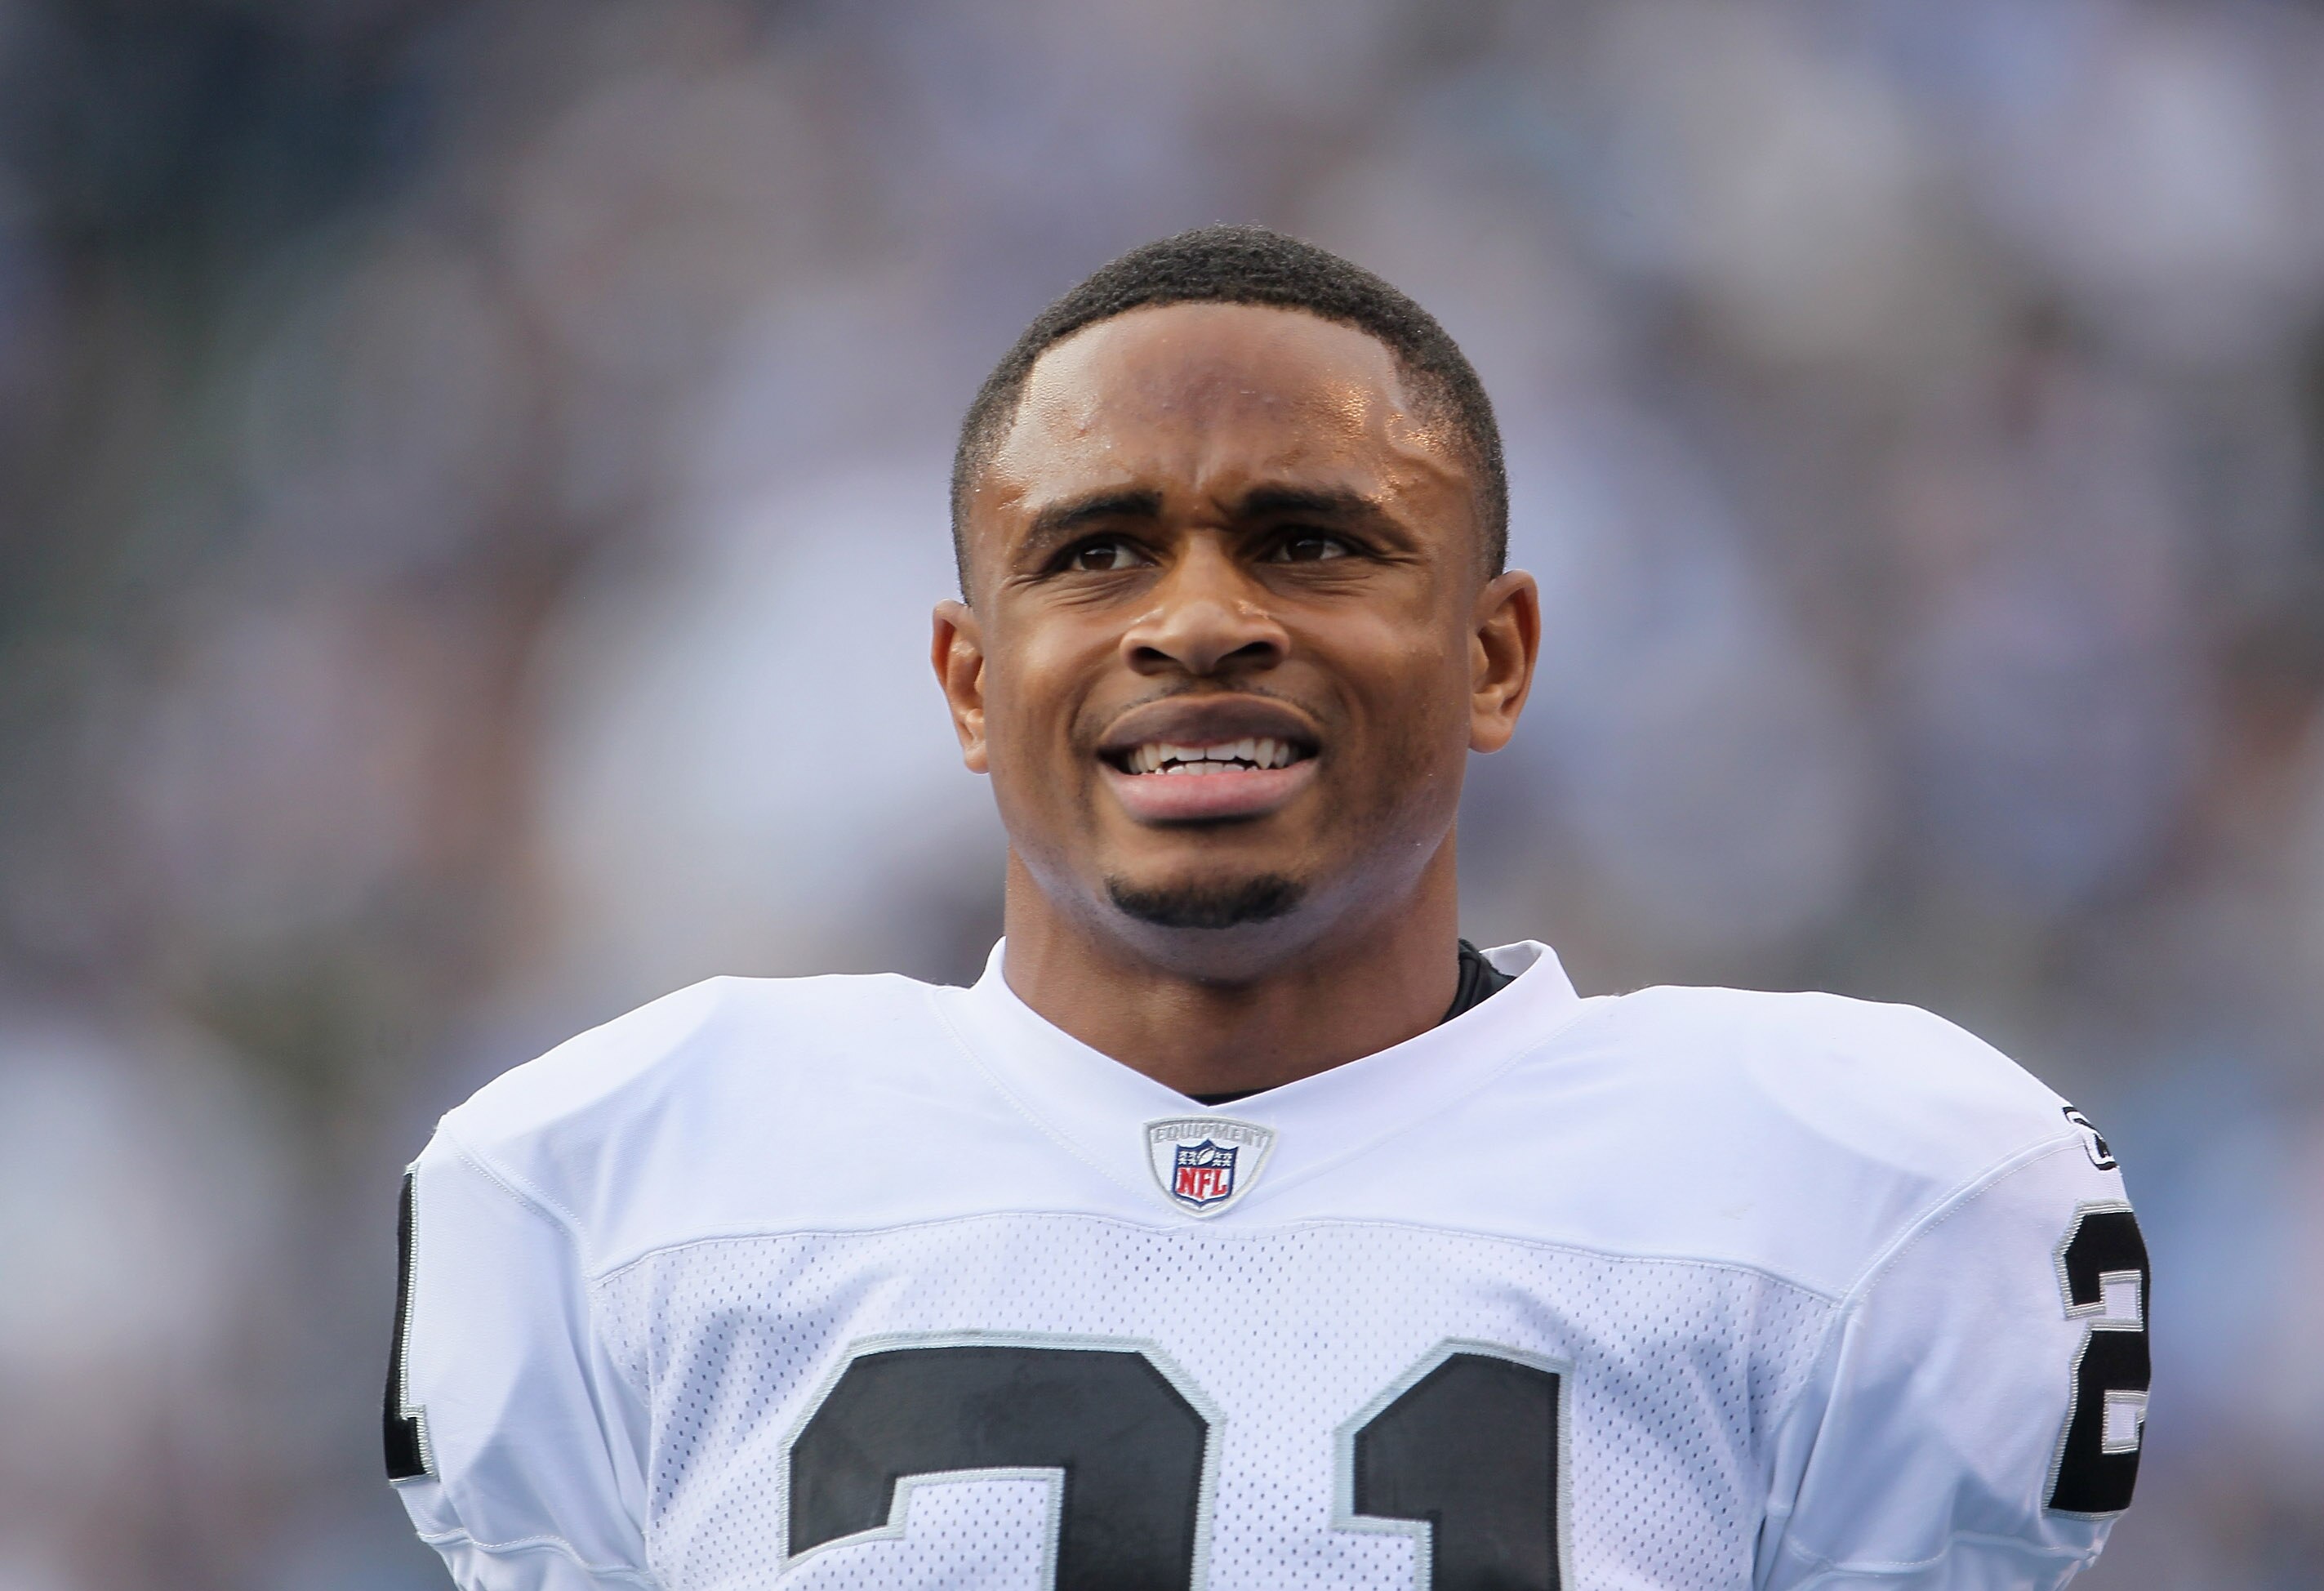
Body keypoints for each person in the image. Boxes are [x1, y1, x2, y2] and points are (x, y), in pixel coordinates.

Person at [385, 226, 2149, 1590]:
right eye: (1097, 550)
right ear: (968, 678)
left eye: (1310, 539)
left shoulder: (1869, 1189)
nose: (1202, 618)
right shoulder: (611, 1178)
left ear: (1494, 651)